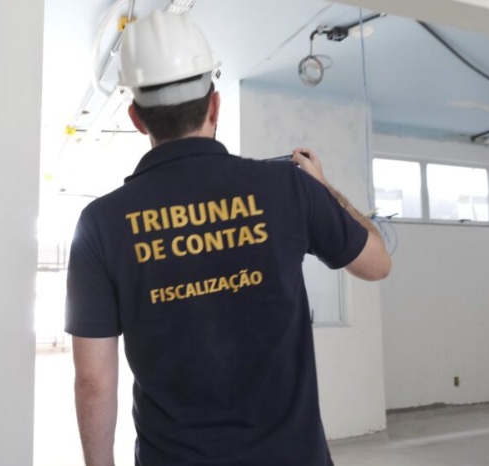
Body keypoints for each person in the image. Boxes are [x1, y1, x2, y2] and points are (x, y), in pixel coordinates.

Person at [65, 10, 391, 466]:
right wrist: (323, 188)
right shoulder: (289, 188)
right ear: (214, 106)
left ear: (136, 118)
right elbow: (377, 263)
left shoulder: (100, 224)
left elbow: (93, 382)